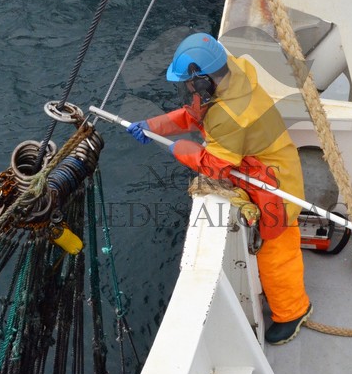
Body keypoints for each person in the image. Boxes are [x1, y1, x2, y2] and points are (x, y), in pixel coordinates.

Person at [127, 32, 312, 345]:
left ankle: (293, 311)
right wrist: (154, 126)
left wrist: (177, 148)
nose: (186, 89)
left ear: (201, 82)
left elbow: (213, 165)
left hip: (276, 185)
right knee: (274, 246)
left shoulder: (229, 114)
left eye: (188, 83)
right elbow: (194, 115)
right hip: (261, 164)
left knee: (275, 250)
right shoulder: (231, 79)